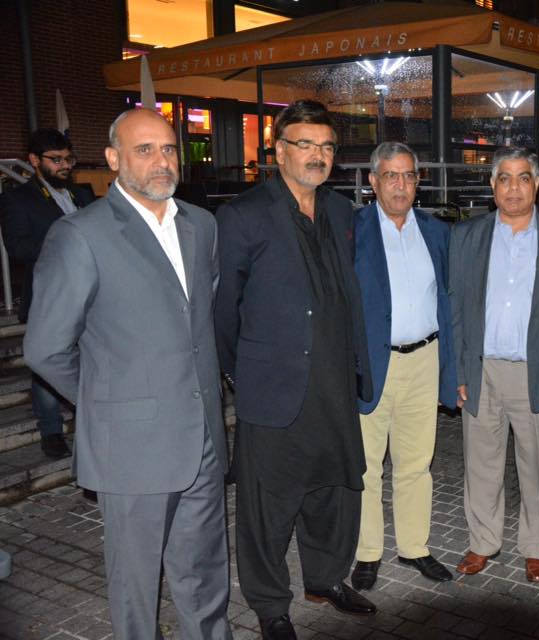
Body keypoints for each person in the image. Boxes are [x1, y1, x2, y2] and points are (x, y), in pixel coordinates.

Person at [23, 108, 231, 639]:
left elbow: (197, 320)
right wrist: (108, 404)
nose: (162, 161)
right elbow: (45, 348)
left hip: (203, 438)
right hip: (132, 447)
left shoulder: (202, 225)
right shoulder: (80, 234)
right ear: (113, 159)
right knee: (136, 591)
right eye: (145, 150)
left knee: (206, 578)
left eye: (168, 148)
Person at [215, 100, 375, 640]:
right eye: (305, 144)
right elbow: (223, 309)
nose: (317, 155)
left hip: (334, 380)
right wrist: (243, 372)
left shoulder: (340, 210)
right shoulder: (244, 214)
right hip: (274, 386)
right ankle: (270, 606)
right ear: (279, 150)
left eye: (326, 146)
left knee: (335, 490)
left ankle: (325, 579)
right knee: (268, 503)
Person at [449, 146, 539, 584]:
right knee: (481, 463)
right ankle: (483, 541)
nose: (514, 188)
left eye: (523, 178)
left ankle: (537, 546)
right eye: (505, 178)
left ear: (537, 184)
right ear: (493, 186)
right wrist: (458, 372)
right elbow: (456, 309)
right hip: (483, 369)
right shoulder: (466, 236)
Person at [351, 142, 458, 590]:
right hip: (373, 363)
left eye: (408, 176)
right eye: (390, 176)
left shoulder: (437, 232)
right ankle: (367, 552)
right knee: (367, 465)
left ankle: (415, 547)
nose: (400, 185)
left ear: (418, 182)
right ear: (373, 182)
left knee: (416, 461)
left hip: (424, 360)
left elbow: (449, 301)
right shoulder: (352, 230)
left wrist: (452, 370)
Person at [0, 128, 94, 459]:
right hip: (49, 297)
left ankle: (89, 421)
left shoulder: (82, 195)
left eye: (69, 159)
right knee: (48, 362)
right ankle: (51, 430)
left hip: (91, 296)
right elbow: (18, 248)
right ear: (34, 160)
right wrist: (68, 244)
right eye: (56, 160)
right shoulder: (17, 199)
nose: (65, 165)